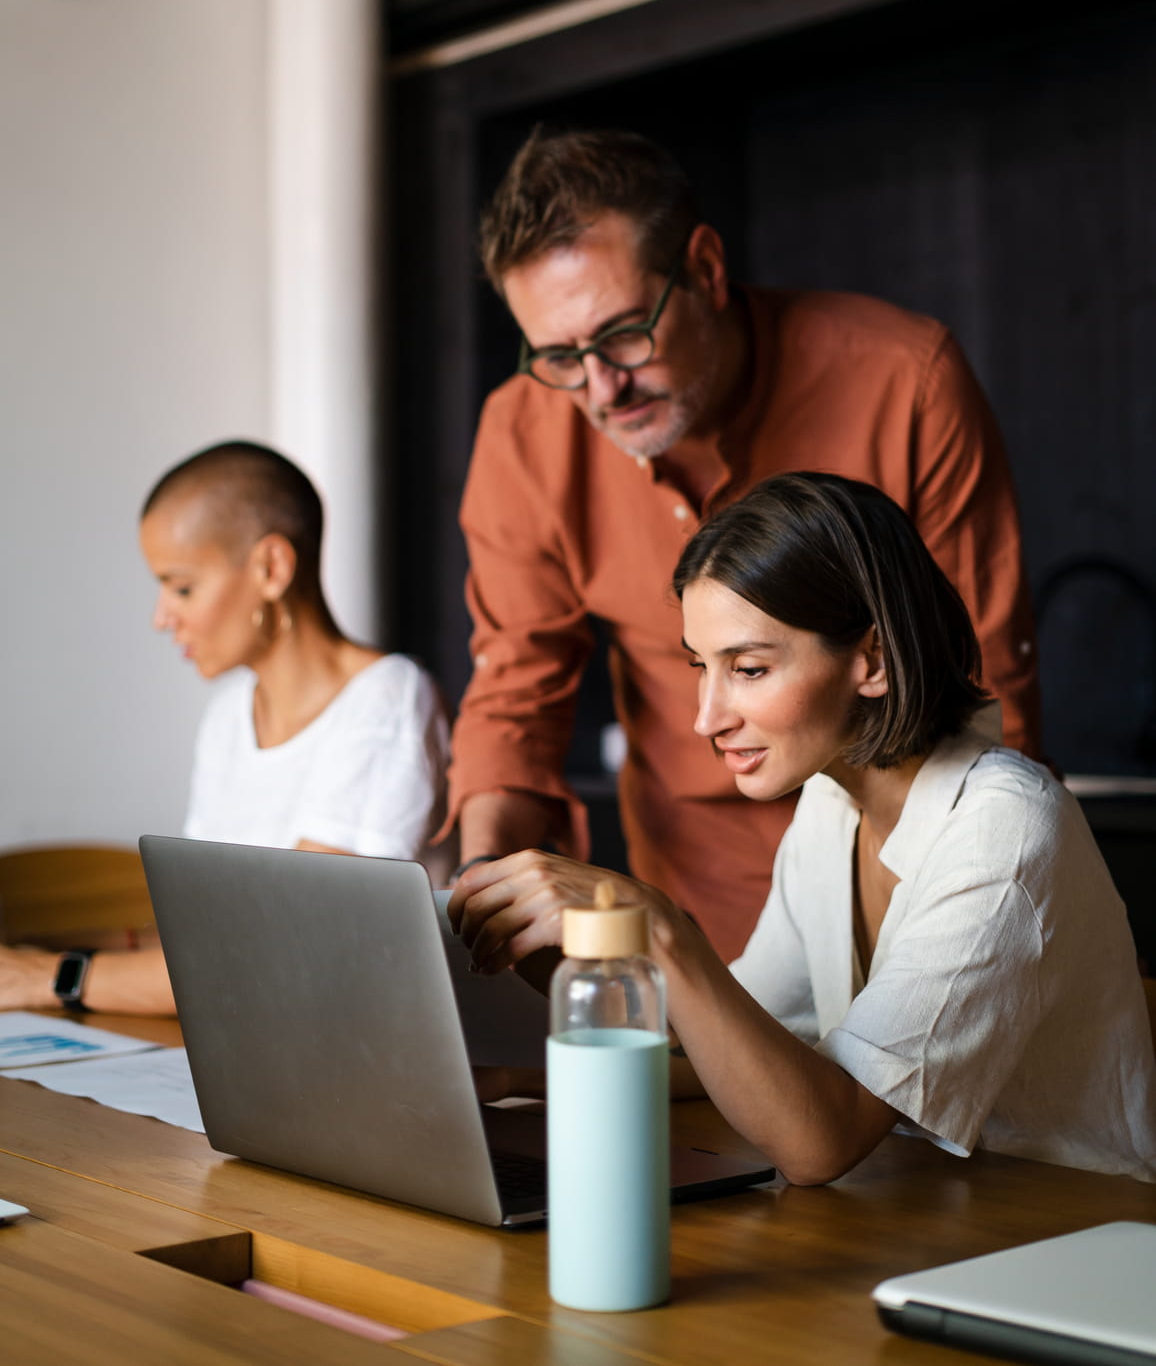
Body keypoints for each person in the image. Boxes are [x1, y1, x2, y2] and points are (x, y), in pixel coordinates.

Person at [450, 474, 1156, 1186]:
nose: (707, 716)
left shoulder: (1004, 830)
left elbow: (825, 1137)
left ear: (872, 660)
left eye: (749, 668)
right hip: (923, 1216)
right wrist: (524, 1066)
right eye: (701, 667)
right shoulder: (830, 804)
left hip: (1070, 1241)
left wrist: (660, 928)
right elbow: (744, 1044)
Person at [447, 128, 1041, 958]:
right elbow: (514, 694)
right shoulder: (524, 432)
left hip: (909, 895)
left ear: (706, 268)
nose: (600, 388)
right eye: (559, 355)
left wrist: (941, 927)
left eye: (623, 334)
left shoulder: (906, 383)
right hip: (688, 913)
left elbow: (982, 691)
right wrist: (479, 899)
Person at [0, 441, 448, 1014]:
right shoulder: (228, 713)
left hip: (355, 1051)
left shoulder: (388, 698)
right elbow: (206, 931)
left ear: (271, 568)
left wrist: (47, 976)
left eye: (181, 587)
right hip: (255, 1038)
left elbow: (287, 949)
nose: (162, 617)